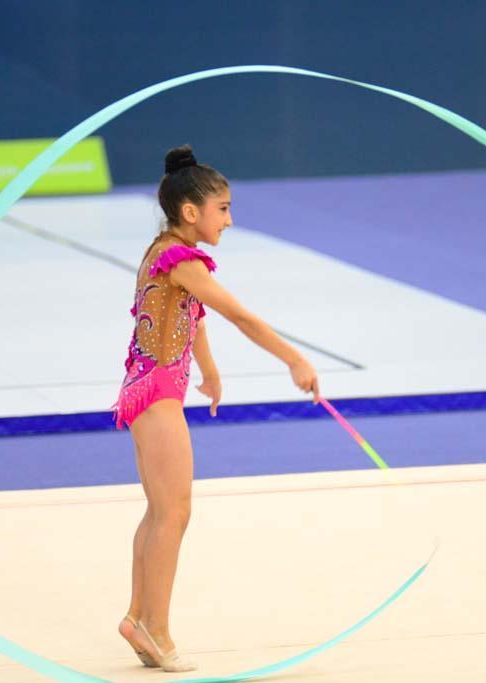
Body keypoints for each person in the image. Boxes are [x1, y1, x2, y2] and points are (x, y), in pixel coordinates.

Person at [113, 144, 320, 671]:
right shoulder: (181, 259)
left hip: (149, 390)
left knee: (161, 511)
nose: (229, 219)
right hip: (157, 395)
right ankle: (156, 628)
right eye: (223, 208)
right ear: (191, 212)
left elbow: (192, 315)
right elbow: (239, 316)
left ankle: (139, 619)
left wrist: (207, 371)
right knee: (175, 513)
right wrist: (295, 359)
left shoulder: (165, 250)